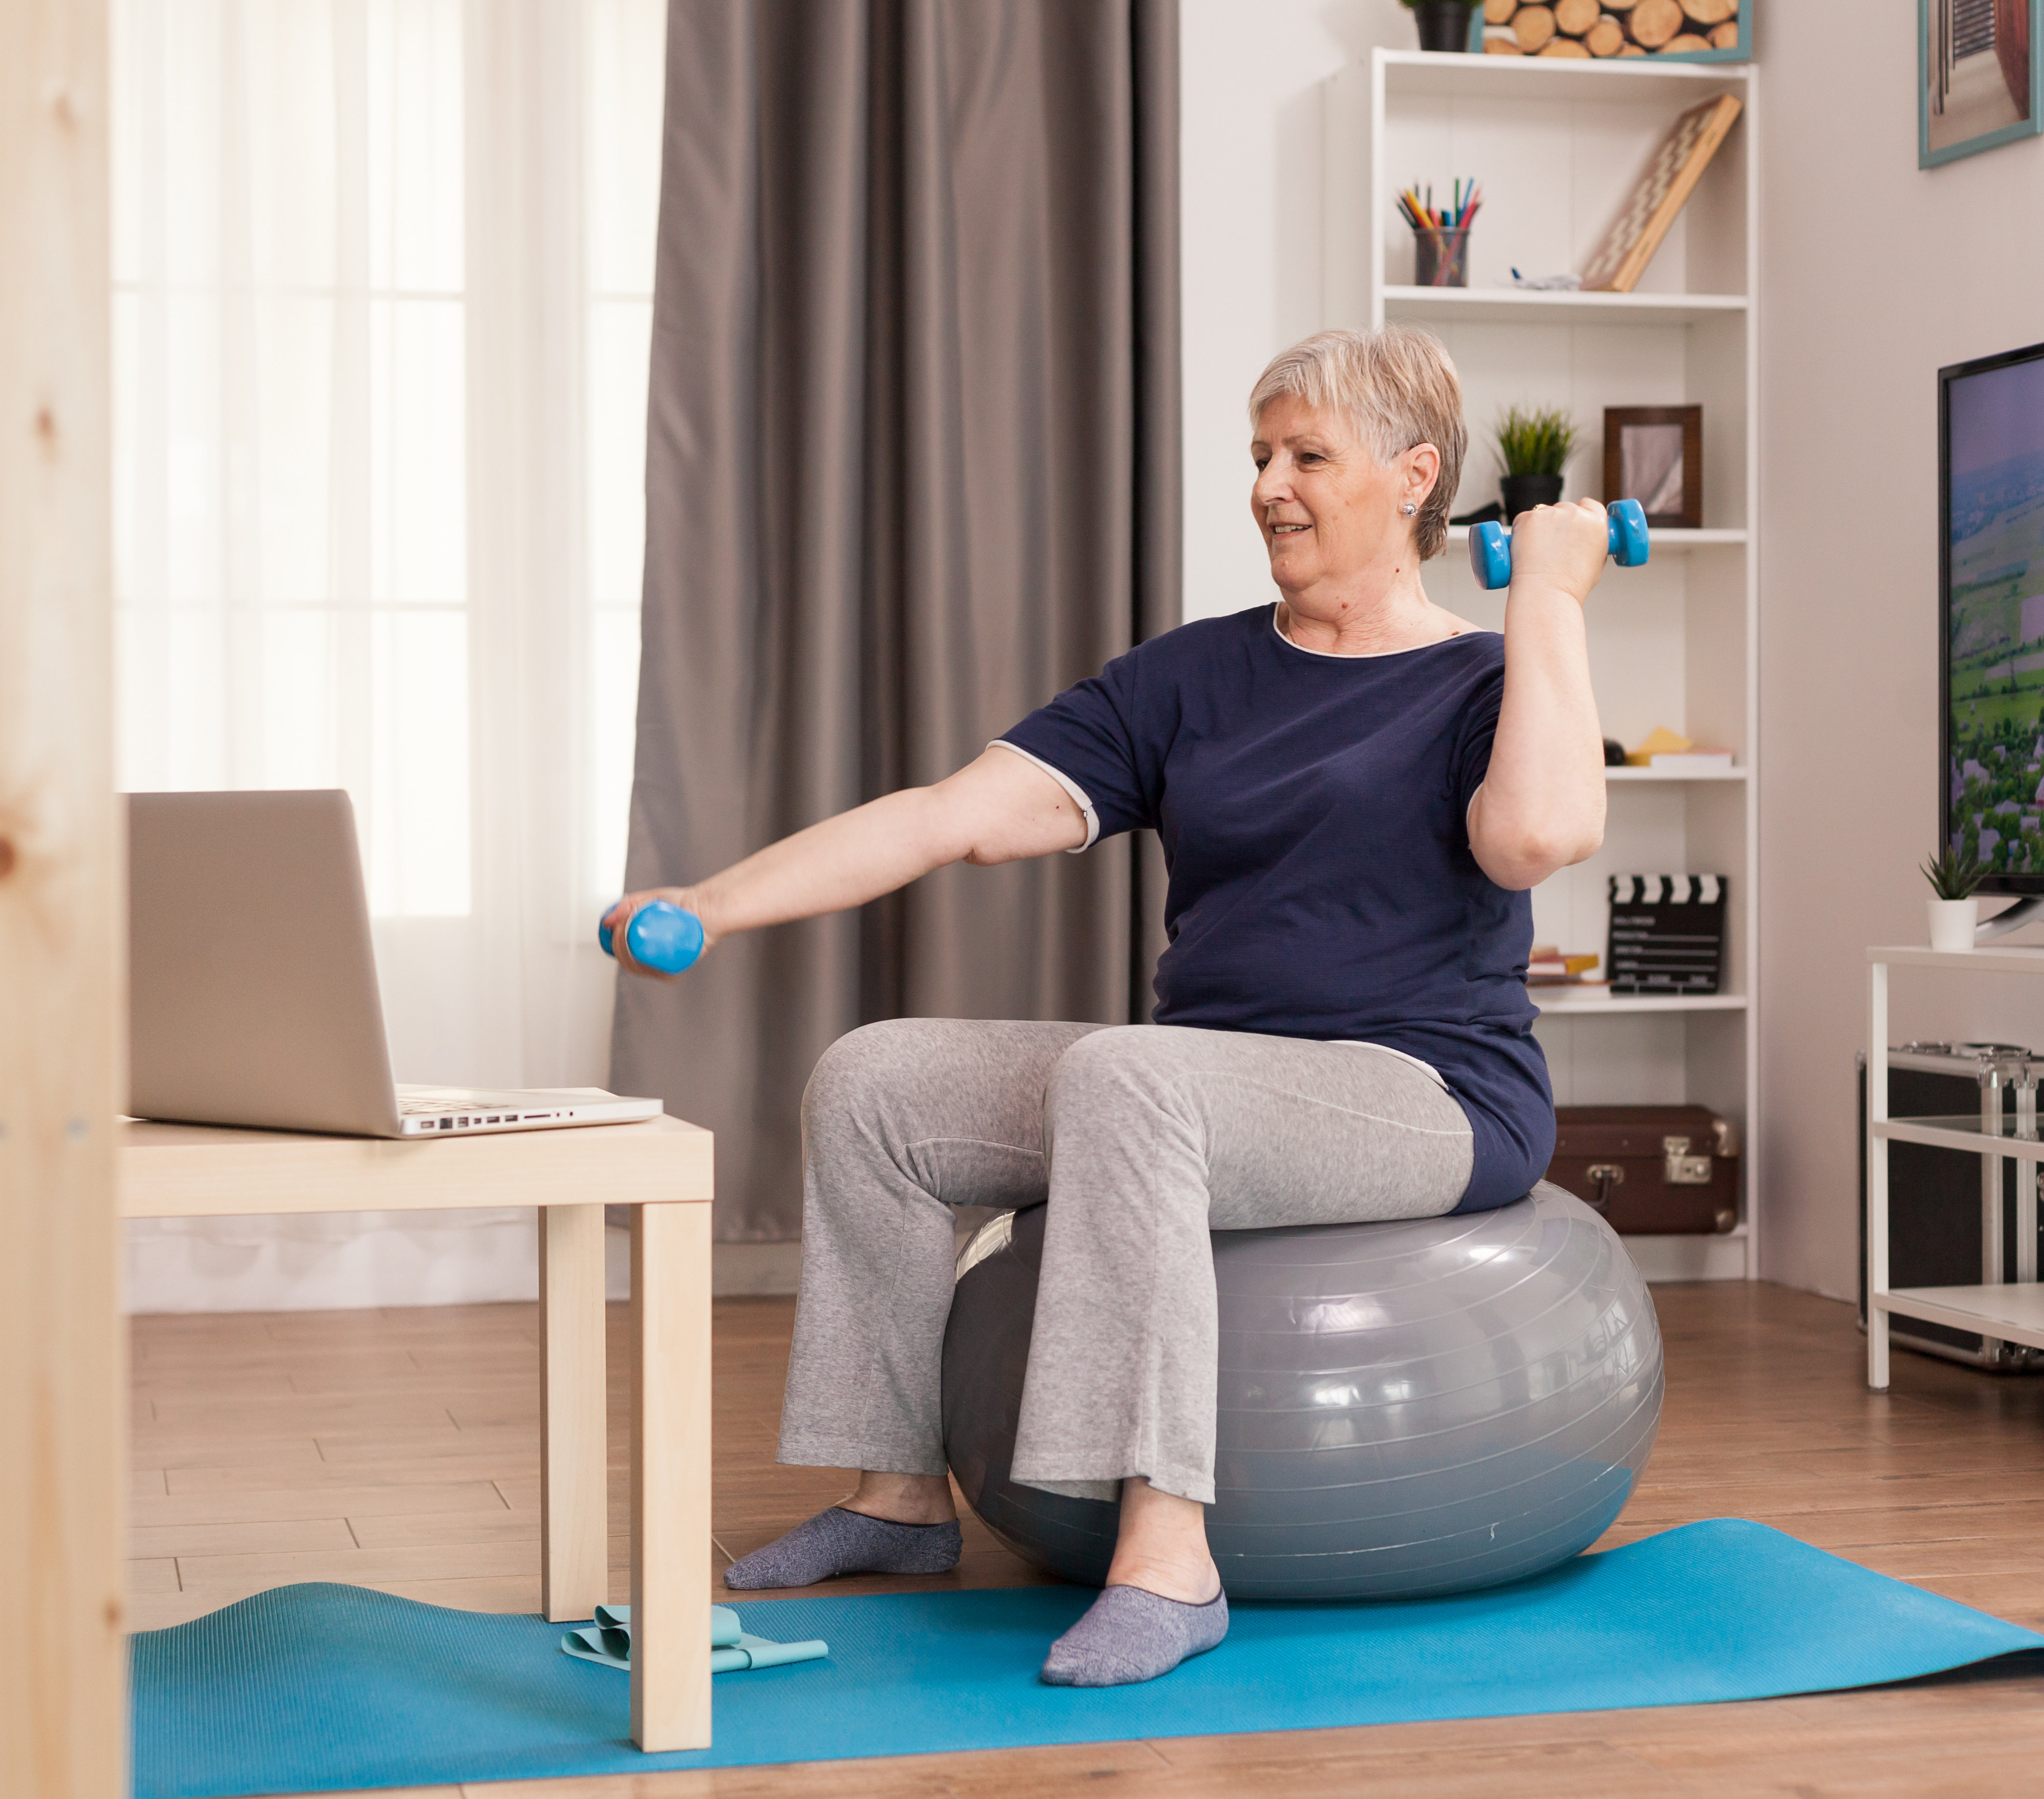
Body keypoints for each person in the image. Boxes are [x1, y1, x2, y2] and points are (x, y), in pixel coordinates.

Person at [602, 324, 1611, 1687]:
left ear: (1415, 477)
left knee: (1131, 1073)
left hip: (1425, 1092)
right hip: (1201, 1078)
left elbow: (1536, 836)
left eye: (1308, 456)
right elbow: (951, 815)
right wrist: (712, 904)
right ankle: (898, 1497)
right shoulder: (1192, 676)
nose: (1268, 486)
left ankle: (1167, 1557)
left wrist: (1549, 596)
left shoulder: (1483, 680)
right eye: (1260, 454)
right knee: (877, 1081)